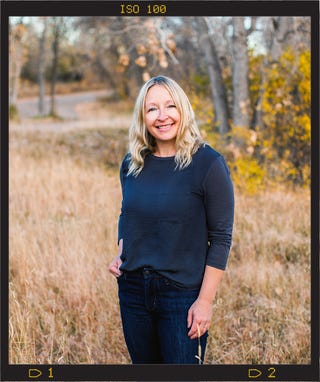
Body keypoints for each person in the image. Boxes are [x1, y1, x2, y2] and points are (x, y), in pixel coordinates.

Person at [109, 75, 234, 364]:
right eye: (152, 109)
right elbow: (127, 214)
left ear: (183, 110)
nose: (162, 116)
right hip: (133, 290)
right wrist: (121, 252)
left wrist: (204, 302)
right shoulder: (132, 163)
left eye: (170, 106)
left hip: (182, 295)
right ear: (143, 116)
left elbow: (221, 238)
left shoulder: (208, 163)